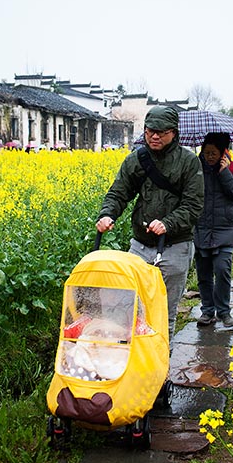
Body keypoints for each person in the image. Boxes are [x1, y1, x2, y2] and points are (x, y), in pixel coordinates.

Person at [96, 105, 204, 335]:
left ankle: (161, 366)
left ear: (174, 132)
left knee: (164, 312)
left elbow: (194, 205)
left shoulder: (188, 161)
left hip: (175, 247)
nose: (154, 136)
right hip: (140, 245)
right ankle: (135, 363)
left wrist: (168, 223)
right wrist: (107, 214)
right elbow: (119, 192)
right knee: (130, 307)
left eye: (161, 132)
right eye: (149, 131)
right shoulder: (137, 159)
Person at [194, 133, 233, 328]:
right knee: (204, 274)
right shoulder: (196, 168)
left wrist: (225, 172)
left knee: (222, 269)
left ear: (223, 152)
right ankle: (207, 311)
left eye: (214, 153)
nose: (209, 157)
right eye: (206, 152)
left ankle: (224, 311)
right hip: (201, 227)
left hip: (224, 229)